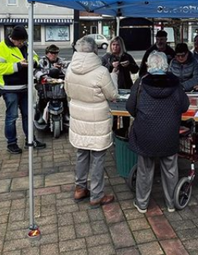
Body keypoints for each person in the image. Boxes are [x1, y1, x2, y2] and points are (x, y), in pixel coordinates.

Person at [126, 51, 189, 213]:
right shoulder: (175, 84)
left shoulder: (141, 83)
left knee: (145, 169)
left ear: (148, 65)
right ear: (166, 66)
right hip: (169, 134)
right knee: (170, 168)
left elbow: (130, 108)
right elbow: (185, 106)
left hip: (145, 134)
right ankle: (170, 204)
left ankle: (141, 204)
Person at [65, 35, 118, 208]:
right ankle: (96, 195)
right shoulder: (101, 71)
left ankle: (80, 188)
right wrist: (114, 77)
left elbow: (67, 90)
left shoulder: (70, 68)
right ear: (95, 50)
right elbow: (112, 95)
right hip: (97, 119)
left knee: (81, 153)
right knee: (97, 156)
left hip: (78, 117)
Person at [0, 25, 46, 154]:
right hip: (9, 88)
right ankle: (11, 143)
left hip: (25, 87)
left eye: (23, 41)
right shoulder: (2, 47)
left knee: (27, 115)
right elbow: (0, 67)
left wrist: (33, 62)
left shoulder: (26, 46)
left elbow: (35, 57)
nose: (21, 44)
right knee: (12, 117)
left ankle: (30, 140)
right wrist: (18, 66)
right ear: (13, 39)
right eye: (19, 41)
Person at [102, 36, 139, 134]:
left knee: (126, 112)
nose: (115, 47)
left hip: (126, 87)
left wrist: (129, 65)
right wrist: (110, 66)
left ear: (121, 46)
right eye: (113, 45)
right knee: (113, 113)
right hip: (111, 87)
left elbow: (136, 69)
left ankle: (126, 131)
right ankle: (114, 133)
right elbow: (101, 71)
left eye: (117, 45)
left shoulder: (126, 56)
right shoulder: (106, 57)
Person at [34, 44, 70, 125]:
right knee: (42, 99)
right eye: (52, 53)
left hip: (59, 87)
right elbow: (36, 71)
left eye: (56, 53)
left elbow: (68, 71)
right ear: (47, 53)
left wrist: (60, 69)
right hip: (46, 87)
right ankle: (40, 115)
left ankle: (66, 114)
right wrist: (46, 73)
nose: (54, 55)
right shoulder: (42, 61)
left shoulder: (61, 61)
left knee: (64, 99)